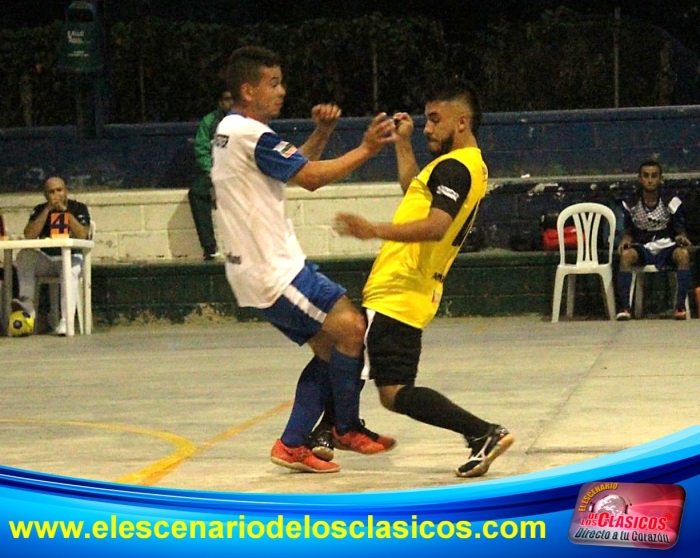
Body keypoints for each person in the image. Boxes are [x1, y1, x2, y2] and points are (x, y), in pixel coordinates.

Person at [309, 79, 514, 479]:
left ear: (461, 122)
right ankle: (325, 432)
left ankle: (481, 432)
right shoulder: (456, 167)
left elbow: (436, 225)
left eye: (434, 120)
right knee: (376, 377)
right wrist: (402, 144)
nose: (427, 128)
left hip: (401, 288)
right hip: (408, 289)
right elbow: (414, 191)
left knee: (369, 370)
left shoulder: (457, 167)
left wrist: (373, 230)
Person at [211, 46, 397, 474]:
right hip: (272, 270)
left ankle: (293, 443)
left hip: (268, 267)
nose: (282, 91)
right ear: (247, 89)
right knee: (352, 327)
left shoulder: (232, 130)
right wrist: (368, 148)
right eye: (272, 83)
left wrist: (323, 133)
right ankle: (344, 429)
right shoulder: (249, 133)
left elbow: (293, 166)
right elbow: (310, 178)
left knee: (335, 349)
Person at [12, 176, 91, 336]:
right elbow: (29, 235)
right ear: (45, 195)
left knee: (69, 267)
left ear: (66, 191)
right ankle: (28, 309)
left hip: (71, 259)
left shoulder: (79, 208)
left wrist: (66, 213)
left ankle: (66, 321)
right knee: (24, 255)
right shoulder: (40, 209)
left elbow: (83, 235)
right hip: (48, 259)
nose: (56, 194)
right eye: (51, 192)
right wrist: (47, 210)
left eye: (59, 190)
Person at [615, 160, 691, 321]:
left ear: (660, 178)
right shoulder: (631, 202)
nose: (650, 180)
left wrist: (681, 237)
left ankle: (679, 307)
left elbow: (680, 229)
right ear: (640, 178)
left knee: (683, 255)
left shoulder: (671, 201)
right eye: (646, 176)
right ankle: (625, 308)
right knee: (626, 256)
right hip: (642, 246)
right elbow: (628, 230)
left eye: (654, 176)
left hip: (667, 245)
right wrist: (626, 239)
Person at [190, 90, 233, 260]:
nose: (230, 103)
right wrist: (212, 173)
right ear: (220, 102)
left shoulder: (248, 121)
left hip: (240, 172)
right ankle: (209, 247)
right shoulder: (209, 122)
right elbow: (201, 150)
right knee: (197, 192)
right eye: (227, 99)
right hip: (214, 170)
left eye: (233, 99)